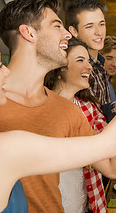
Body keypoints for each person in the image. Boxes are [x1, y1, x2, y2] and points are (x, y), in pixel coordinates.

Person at [0, 0, 116, 213]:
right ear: (29, 33)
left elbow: (114, 167)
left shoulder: (66, 108)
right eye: (57, 25)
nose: (67, 34)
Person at [44, 38, 109, 213]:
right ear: (60, 67)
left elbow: (108, 149)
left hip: (85, 203)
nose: (89, 67)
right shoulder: (41, 107)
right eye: (81, 60)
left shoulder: (88, 106)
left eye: (88, 61)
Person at [67, 0, 116, 122]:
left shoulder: (99, 61)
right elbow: (92, 118)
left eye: (102, 24)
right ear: (74, 31)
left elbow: (105, 112)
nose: (99, 32)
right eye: (89, 26)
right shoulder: (76, 68)